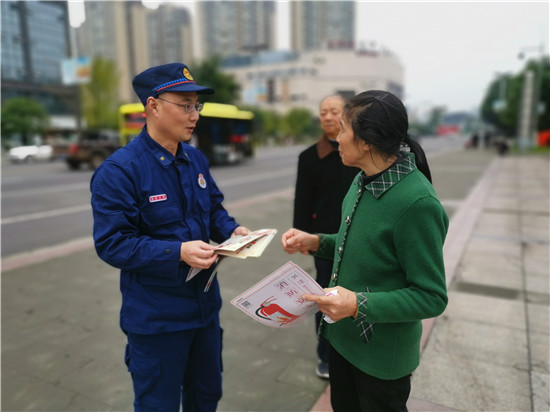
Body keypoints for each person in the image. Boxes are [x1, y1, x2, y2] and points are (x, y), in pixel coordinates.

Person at [90, 62, 250, 412]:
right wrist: (178, 251)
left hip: (204, 310)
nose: (195, 115)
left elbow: (213, 208)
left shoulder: (195, 159)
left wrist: (232, 231)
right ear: (153, 106)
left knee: (206, 396)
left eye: (197, 105)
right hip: (157, 319)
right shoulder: (120, 171)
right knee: (158, 406)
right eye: (185, 105)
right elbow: (113, 244)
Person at [282, 90, 448, 412]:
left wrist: (357, 304)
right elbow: (362, 243)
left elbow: (431, 296)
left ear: (368, 141)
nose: (337, 137)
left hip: (380, 359)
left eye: (343, 128)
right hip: (342, 340)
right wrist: (316, 241)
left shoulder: (417, 204)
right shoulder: (364, 179)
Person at [292, 94, 359, 379]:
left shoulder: (358, 152)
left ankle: (355, 351)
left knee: (356, 295)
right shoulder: (309, 157)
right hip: (324, 240)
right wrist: (302, 235)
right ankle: (326, 355)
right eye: (323, 112)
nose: (328, 117)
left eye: (334, 111)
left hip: (357, 236)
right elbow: (303, 200)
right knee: (324, 297)